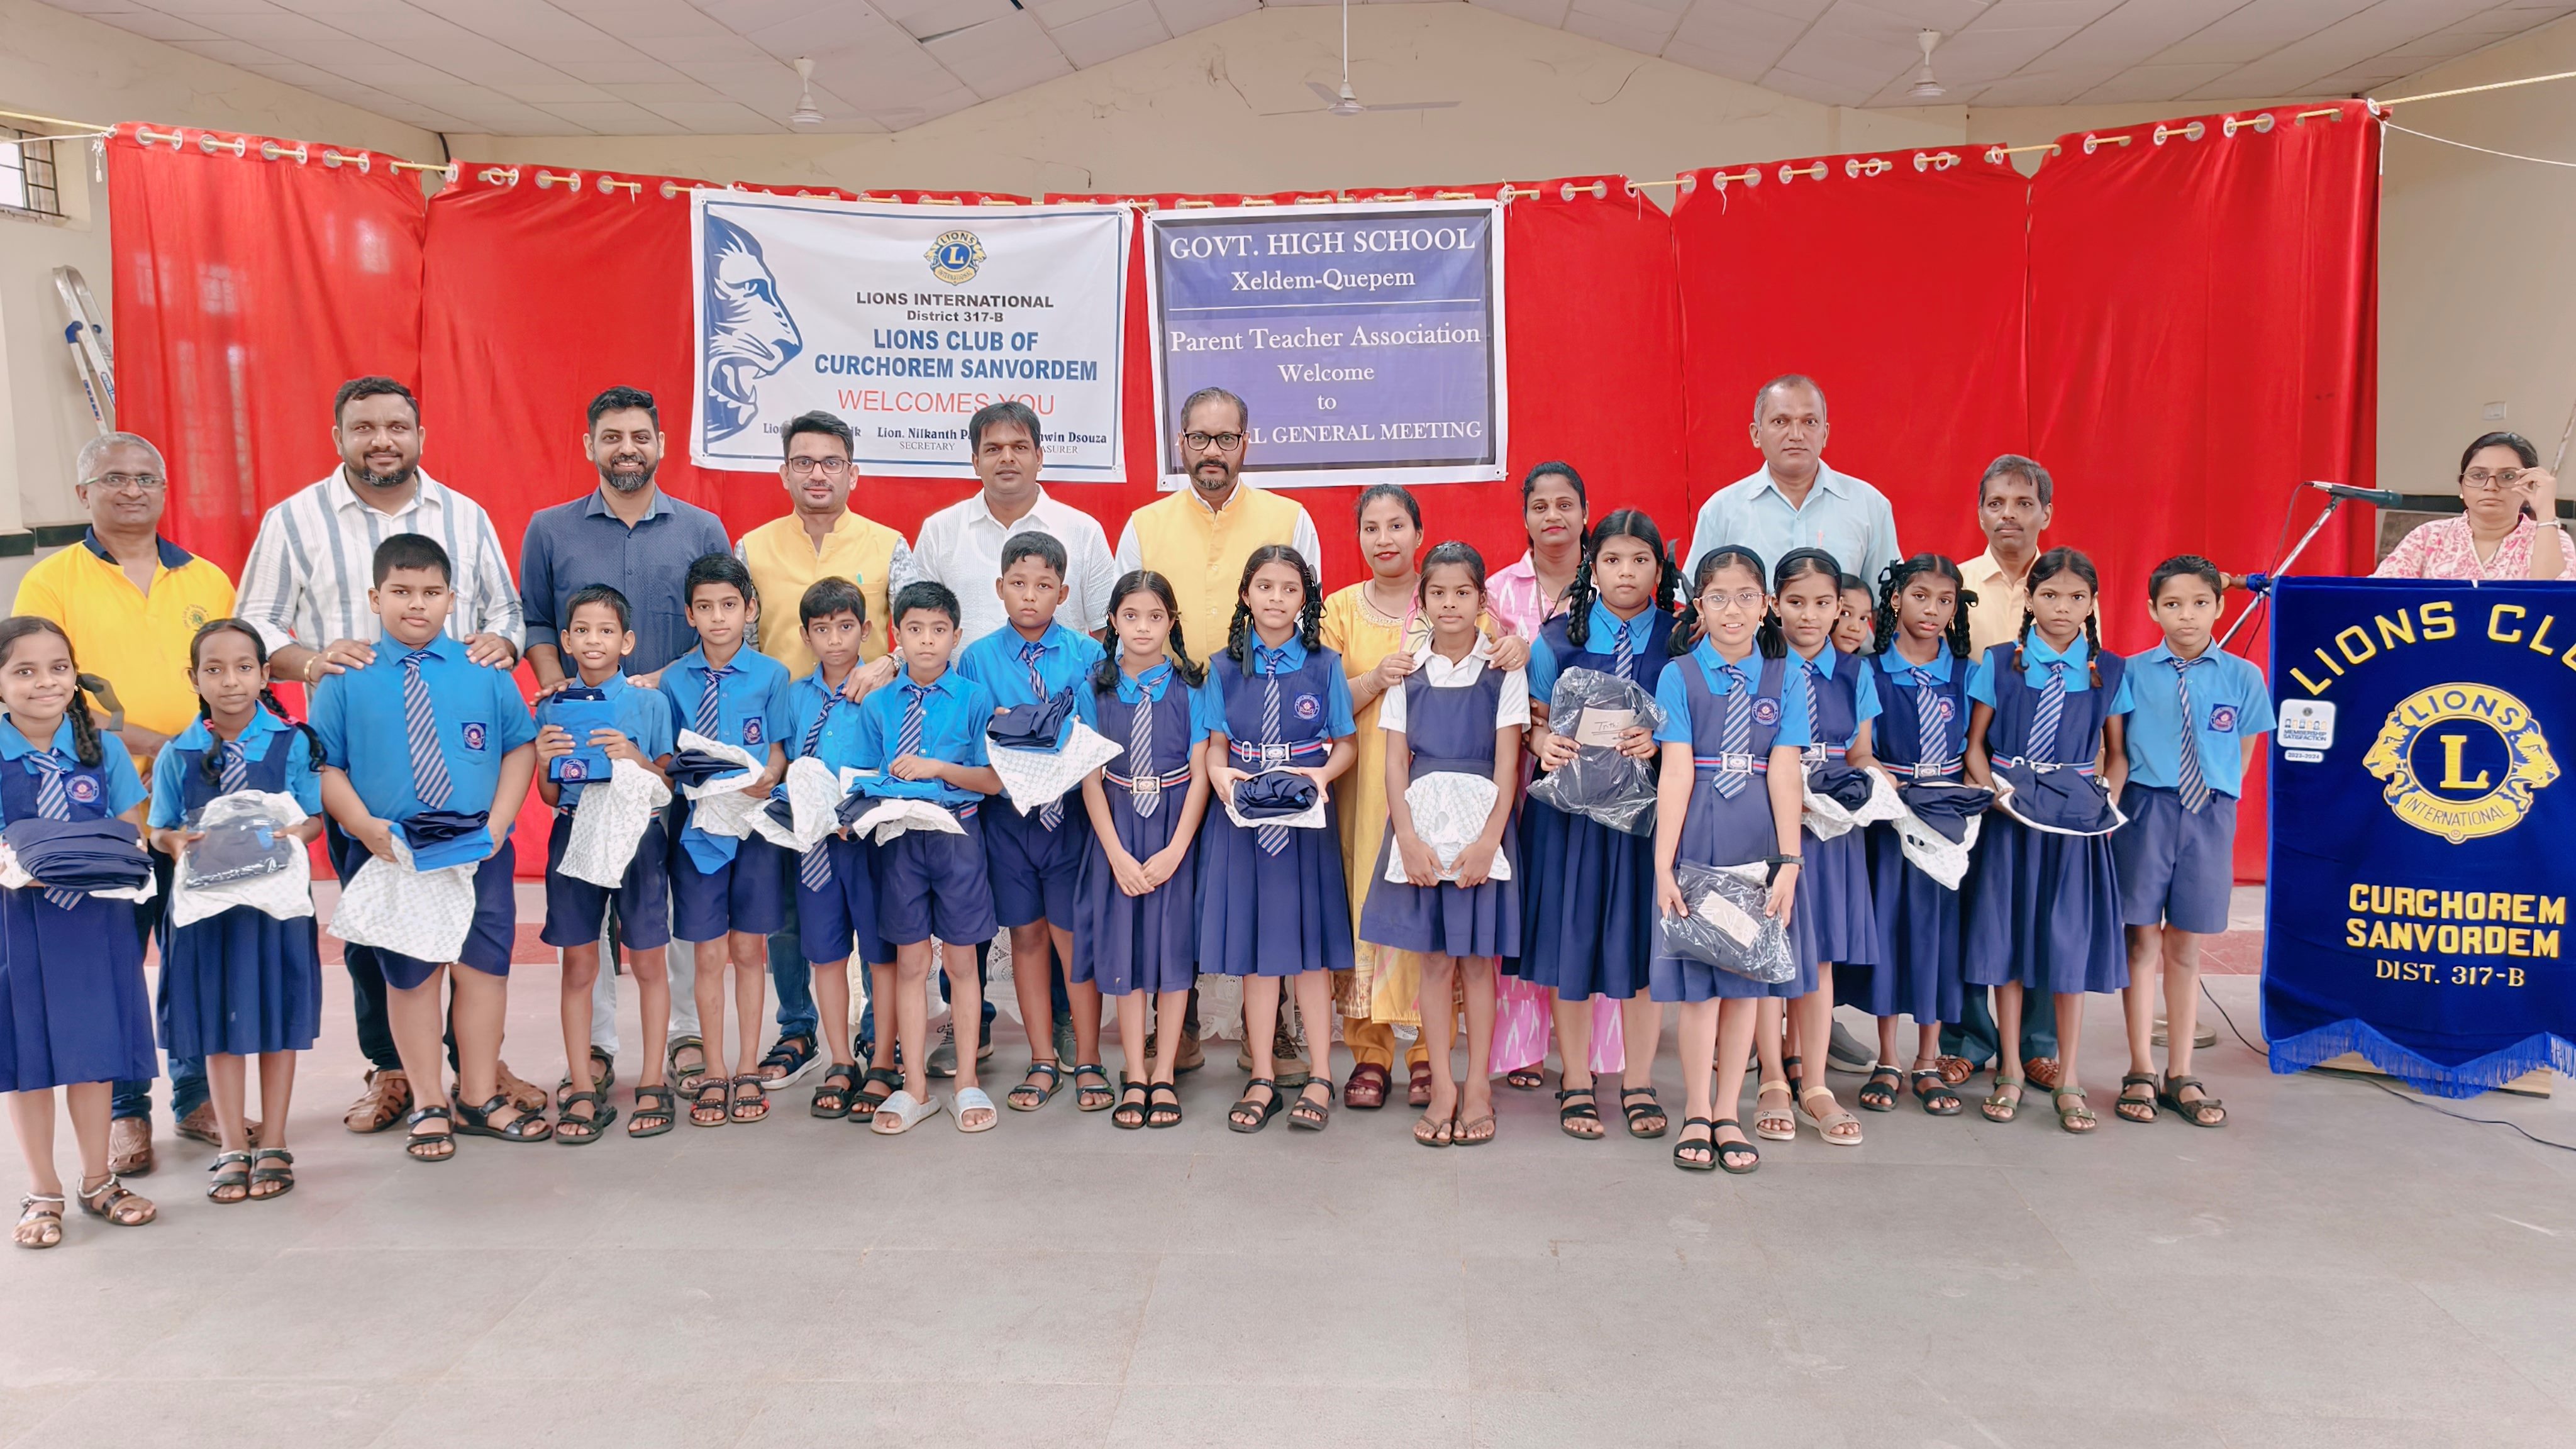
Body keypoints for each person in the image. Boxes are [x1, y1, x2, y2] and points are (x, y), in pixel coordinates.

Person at [234, 377, 531, 1137]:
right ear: (338, 437)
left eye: (397, 425)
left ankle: (476, 1072)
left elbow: (503, 610)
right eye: (363, 427)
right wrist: (314, 664)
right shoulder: (293, 519)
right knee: (382, 937)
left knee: (475, 939)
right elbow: (256, 625)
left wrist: (501, 642)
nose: (382, 439)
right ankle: (396, 1073)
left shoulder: (464, 515)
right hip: (364, 765)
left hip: (461, 753)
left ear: (420, 434)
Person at [13, 431, 238, 1175]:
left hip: (195, 803)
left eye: (147, 477)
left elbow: (231, 673)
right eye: (114, 478)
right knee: (114, 961)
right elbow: (49, 685)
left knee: (196, 953)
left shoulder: (206, 576)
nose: (132, 490)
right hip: (97, 807)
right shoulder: (53, 580)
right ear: (85, 494)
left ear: (167, 489)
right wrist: (155, 739)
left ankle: (196, 1095)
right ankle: (125, 1113)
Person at [519, 387, 731, 1107]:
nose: (626, 449)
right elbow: (540, 623)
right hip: (586, 756)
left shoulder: (701, 528)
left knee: (663, 894)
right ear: (590, 446)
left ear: (661, 443)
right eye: (611, 437)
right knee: (587, 915)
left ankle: (676, 1036)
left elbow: (720, 624)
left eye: (640, 435)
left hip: (665, 749)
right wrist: (564, 704)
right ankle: (601, 1047)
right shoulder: (550, 530)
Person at [311, 534, 543, 1162]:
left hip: (476, 848)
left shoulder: (483, 669)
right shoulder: (346, 679)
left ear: (451, 598)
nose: (417, 605)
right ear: (375, 596)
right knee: (411, 980)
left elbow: (520, 745)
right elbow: (324, 764)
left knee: (481, 971)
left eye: (431, 593)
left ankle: (476, 1096)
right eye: (402, 592)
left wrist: (498, 824)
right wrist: (363, 826)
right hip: (394, 852)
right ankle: (427, 1102)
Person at [1114, 386, 1322, 1077]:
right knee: (1184, 878)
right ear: (1180, 444)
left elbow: (1306, 613)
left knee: (1277, 870)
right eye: (1199, 439)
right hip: (1169, 723)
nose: (1212, 452)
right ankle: (1189, 1018)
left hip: (1267, 728)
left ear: (1246, 443)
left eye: (1225, 439)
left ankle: (1283, 1025)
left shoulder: (1289, 518)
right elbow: (1122, 627)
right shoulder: (1144, 524)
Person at [734, 411, 913, 1092]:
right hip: (785, 741)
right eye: (803, 461)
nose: (816, 473)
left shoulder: (889, 544)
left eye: (830, 461)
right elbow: (742, 643)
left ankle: (875, 1039)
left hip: (866, 747)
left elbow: (919, 621)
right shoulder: (753, 547)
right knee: (787, 904)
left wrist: (891, 663)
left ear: (852, 471)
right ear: (784, 472)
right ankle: (798, 1027)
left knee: (869, 899)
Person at [1515, 510, 1684, 1143]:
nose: (1626, 572)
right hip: (1571, 823)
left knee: (1645, 948)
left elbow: (1695, 725)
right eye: (1613, 560)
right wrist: (1543, 743)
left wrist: (1661, 741)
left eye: (1640, 559)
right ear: (1592, 566)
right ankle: (1577, 1078)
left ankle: (1638, 1080)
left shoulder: (1679, 640)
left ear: (1657, 569)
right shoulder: (1555, 640)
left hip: (1648, 824)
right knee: (1572, 944)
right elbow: (1529, 723)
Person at [145, 621, 325, 1201]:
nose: (230, 682)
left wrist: (294, 831)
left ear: (266, 674)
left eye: (244, 667)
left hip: (274, 908)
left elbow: (317, 818)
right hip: (209, 910)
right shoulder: (181, 751)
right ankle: (230, 1144)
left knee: (276, 1017)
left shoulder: (292, 742)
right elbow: (160, 828)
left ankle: (272, 1141)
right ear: (193, 678)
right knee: (219, 1025)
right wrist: (174, 842)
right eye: (214, 669)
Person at [1358, 543, 1525, 1148]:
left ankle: (1478, 1084)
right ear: (1423, 600)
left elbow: (1509, 766)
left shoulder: (1503, 672)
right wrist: (1406, 838)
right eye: (1438, 593)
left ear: (1482, 600)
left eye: (1463, 593)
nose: (1450, 603)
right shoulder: (1408, 671)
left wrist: (1489, 842)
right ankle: (1445, 1087)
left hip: (1482, 835)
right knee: (1434, 961)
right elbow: (1395, 765)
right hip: (1423, 834)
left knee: (1480, 965)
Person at [1963, 547, 2132, 1135]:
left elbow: (2117, 753)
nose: (2063, 608)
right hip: (2012, 818)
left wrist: (2105, 800)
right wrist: (1996, 795)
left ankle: (2069, 1076)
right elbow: (1975, 746)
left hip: (2077, 824)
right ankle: (2009, 1067)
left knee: (2067, 945)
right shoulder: (2000, 662)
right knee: (2007, 943)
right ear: (2030, 599)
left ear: (2092, 605)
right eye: (2051, 595)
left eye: (2077, 598)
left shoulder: (2109, 668)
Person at [1648, 545, 1807, 1174]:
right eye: (1718, 597)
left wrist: (1789, 860)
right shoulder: (1679, 674)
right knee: (1699, 988)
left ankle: (1728, 1113)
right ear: (1699, 605)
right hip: (1700, 835)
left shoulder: (1784, 674)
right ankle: (1694, 1108)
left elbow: (1787, 770)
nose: (1732, 610)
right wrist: (1664, 863)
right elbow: (1676, 773)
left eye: (1746, 596)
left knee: (1744, 980)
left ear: (1765, 604)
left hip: (1756, 839)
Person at [0, 619, 158, 1247]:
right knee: (27, 1062)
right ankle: (43, 1191)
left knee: (94, 1060)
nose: (45, 682)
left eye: (58, 667)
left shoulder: (103, 750)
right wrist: (32, 864)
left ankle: (99, 1182)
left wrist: (57, 858)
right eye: (24, 670)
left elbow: (129, 836)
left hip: (96, 925)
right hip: (17, 931)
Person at [1201, 545, 1357, 1135]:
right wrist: (1219, 775)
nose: (1275, 599)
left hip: (1304, 820)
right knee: (1259, 958)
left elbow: (1346, 742)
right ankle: (1262, 1073)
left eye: (1289, 589)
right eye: (1263, 587)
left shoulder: (1323, 664)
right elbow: (1216, 742)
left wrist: (1321, 775)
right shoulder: (1222, 666)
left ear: (1305, 598)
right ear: (1246, 596)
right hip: (1243, 819)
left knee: (1310, 954)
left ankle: (1320, 1073)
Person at [2113, 556, 2272, 1130]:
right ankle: (2139, 1067)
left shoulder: (2243, 676)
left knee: (2185, 945)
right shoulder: (2131, 673)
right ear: (2152, 609)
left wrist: (2212, 797)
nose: (2187, 615)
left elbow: (2246, 751)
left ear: (2220, 607)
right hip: (2144, 810)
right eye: (2173, 604)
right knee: (2140, 944)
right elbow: (2118, 749)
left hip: (2208, 812)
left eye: (2200, 603)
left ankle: (2181, 1071)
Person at [955, 534, 1109, 1116]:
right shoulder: (977, 658)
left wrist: (1033, 727)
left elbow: (1091, 737)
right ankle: (1043, 1058)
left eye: (1044, 586)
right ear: (999, 589)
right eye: (1018, 584)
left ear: (1063, 593)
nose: (1030, 596)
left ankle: (1089, 1058)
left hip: (1068, 816)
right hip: (1008, 818)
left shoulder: (1088, 657)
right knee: (1026, 936)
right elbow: (978, 739)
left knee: (1073, 940)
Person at [855, 582, 1005, 1136]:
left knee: (963, 963)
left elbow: (992, 781)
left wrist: (936, 768)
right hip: (899, 841)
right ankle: (914, 1086)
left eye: (938, 630)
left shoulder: (974, 699)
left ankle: (967, 1078)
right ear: (898, 636)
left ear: (956, 637)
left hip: (958, 840)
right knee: (911, 964)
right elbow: (864, 777)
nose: (926, 641)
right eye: (914, 630)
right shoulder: (878, 705)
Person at [531, 586, 679, 1143]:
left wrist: (634, 757)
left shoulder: (649, 703)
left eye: (607, 631)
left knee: (646, 962)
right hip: (574, 832)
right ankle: (584, 1088)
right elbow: (550, 796)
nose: (595, 641)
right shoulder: (552, 706)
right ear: (566, 641)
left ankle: (652, 1080)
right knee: (579, 965)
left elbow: (668, 784)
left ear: (627, 641)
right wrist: (545, 764)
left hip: (636, 834)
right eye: (583, 631)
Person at [1073, 572, 1212, 1131]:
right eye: (1131, 616)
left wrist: (1179, 848)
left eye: (1156, 617)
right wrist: (1116, 855)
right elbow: (1088, 777)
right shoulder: (1095, 688)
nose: (1143, 628)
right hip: (1119, 826)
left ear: (1172, 623)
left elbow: (1203, 773)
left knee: (1174, 955)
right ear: (1113, 622)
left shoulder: (1194, 685)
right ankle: (1134, 1071)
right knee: (1126, 955)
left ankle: (1164, 1075)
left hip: (1175, 825)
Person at [658, 554, 791, 1130]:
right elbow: (666, 757)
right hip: (699, 831)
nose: (718, 619)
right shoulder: (672, 679)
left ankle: (746, 1066)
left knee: (747, 951)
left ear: (750, 610)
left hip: (757, 828)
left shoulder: (772, 675)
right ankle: (713, 1068)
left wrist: (769, 777)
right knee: (709, 953)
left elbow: (782, 751)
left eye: (729, 606)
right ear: (690, 614)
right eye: (706, 608)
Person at [1946, 454, 2065, 1092]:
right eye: (1996, 503)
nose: (2008, 515)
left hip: (2051, 778)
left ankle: (2040, 1043)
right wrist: (1973, 770)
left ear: (2047, 512)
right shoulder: (1958, 588)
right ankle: (1966, 1037)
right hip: (1972, 771)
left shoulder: (2071, 586)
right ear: (1980, 511)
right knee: (1970, 909)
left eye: (2023, 503)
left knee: (2041, 910)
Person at [1321, 485, 1436, 1108]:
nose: (1385, 538)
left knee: (1427, 901)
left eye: (1397, 525)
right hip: (1360, 789)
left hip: (1438, 787)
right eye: (1372, 527)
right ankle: (1368, 1053)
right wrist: (1373, 678)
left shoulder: (1452, 597)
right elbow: (1316, 698)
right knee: (1366, 901)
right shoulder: (1338, 610)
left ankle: (1425, 1051)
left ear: (1419, 532)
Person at [1484, 461, 1596, 1094]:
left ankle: (1591, 1052)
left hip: (1594, 776)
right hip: (1515, 767)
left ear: (1585, 511)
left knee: (1583, 906)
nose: (1553, 516)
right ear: (1523, 517)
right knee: (1522, 906)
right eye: (1539, 506)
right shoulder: (1497, 593)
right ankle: (1523, 1048)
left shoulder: (1612, 583)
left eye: (1565, 504)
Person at [1852, 556, 1974, 1116]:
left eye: (1945, 600)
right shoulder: (1870, 671)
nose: (1933, 610)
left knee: (1937, 938)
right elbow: (1863, 747)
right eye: (1921, 596)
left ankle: (1928, 1059)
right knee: (1892, 933)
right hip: (1890, 820)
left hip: (1946, 821)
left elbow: (1978, 749)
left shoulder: (1966, 673)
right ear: (1896, 600)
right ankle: (1887, 1057)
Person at [1761, 548, 1875, 1148]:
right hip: (1764, 822)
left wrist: (1866, 791)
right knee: (1762, 949)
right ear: (1774, 603)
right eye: (1796, 602)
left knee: (1819, 954)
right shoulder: (1757, 665)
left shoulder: (1856, 674)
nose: (1809, 616)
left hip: (1829, 830)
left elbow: (1860, 755)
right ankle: (1772, 1078)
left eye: (1823, 603)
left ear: (1840, 608)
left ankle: (1815, 1080)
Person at [779, 578, 891, 1123]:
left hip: (867, 841)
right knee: (824, 951)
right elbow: (784, 763)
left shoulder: (882, 691)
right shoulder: (796, 696)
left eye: (845, 627)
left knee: (878, 952)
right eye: (821, 629)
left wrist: (857, 811)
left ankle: (882, 1056)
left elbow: (894, 764)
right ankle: (840, 1059)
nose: (835, 639)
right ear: (805, 635)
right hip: (813, 845)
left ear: (865, 629)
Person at [913, 401, 1119, 641]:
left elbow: (1109, 631)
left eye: (1019, 447)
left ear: (1039, 458)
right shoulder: (939, 531)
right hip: (963, 679)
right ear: (976, 463)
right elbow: (918, 626)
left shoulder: (1084, 532)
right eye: (993, 449)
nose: (1007, 458)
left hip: (1064, 681)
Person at [1685, 375, 1901, 587]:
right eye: (1781, 422)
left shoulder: (1870, 506)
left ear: (1825, 434)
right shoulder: (1721, 510)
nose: (1796, 435)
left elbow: (1887, 604)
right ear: (1756, 434)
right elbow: (1695, 603)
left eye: (1809, 422)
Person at [2373, 431, 2567, 580]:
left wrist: (2546, 511)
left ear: (2529, 486)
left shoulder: (2553, 539)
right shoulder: (2428, 537)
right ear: (2462, 487)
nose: (2491, 486)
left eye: (2508, 476)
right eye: (2478, 475)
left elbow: (2553, 605)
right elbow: (2378, 598)